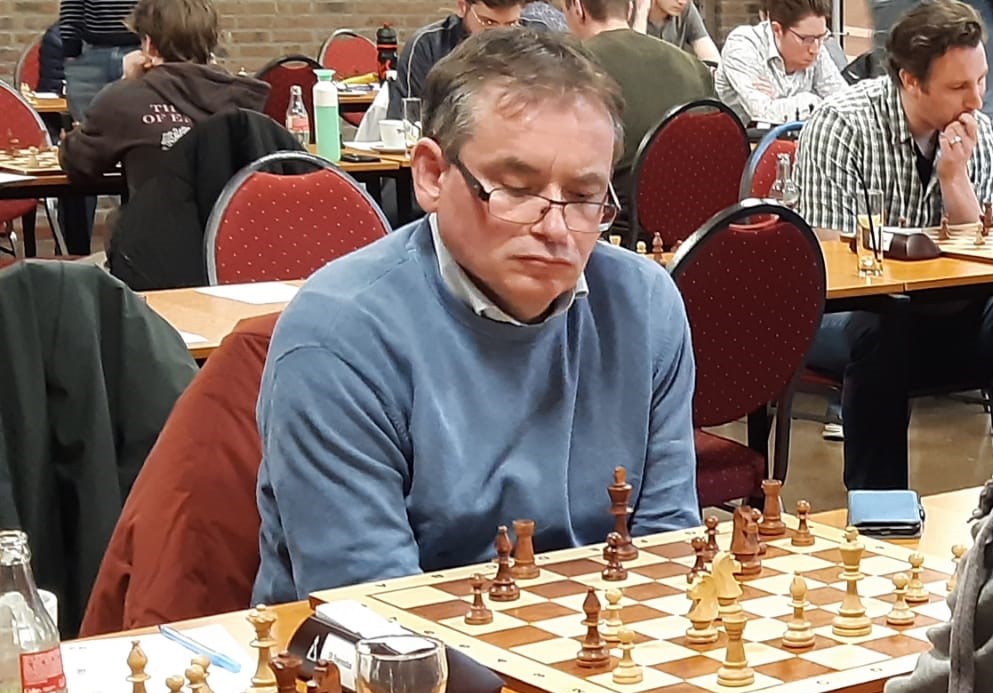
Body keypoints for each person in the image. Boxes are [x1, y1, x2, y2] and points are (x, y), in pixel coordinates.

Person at [252, 28, 700, 603]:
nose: (556, 228)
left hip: (597, 640)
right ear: (432, 175)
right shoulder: (338, 337)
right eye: (517, 189)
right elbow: (372, 612)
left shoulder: (645, 305)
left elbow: (667, 554)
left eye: (584, 197)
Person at [794, 0, 993, 490]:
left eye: (982, 81)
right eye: (958, 87)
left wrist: (955, 180)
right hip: (846, 310)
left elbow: (980, 253)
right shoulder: (842, 125)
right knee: (884, 325)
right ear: (910, 80)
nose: (976, 100)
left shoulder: (979, 135)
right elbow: (831, 256)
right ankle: (879, 512)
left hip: (947, 308)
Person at [58, 0, 269, 196]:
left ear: (149, 45)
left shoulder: (123, 100)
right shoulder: (244, 97)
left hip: (159, 223)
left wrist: (126, 83)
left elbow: (77, 163)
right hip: (231, 222)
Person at [565, 0, 715, 247]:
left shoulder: (569, 66)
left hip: (612, 231)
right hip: (699, 229)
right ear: (631, 8)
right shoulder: (693, 66)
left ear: (578, 7)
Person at [386, 0, 526, 119]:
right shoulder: (427, 46)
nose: (499, 34)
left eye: (511, 24)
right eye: (488, 22)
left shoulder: (533, 39)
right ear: (462, 7)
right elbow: (406, 119)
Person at [714, 0, 847, 124]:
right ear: (777, 30)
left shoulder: (816, 45)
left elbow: (845, 104)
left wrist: (777, 100)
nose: (815, 49)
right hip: (746, 138)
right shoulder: (742, 46)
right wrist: (813, 101)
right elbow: (762, 112)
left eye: (822, 37)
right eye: (806, 39)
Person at [632, 0, 720, 63]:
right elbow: (632, 62)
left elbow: (711, 57)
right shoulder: (628, 10)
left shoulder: (685, 9)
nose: (682, 2)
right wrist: (641, 15)